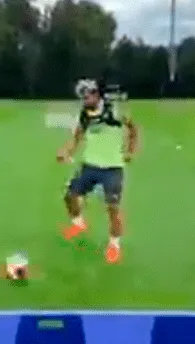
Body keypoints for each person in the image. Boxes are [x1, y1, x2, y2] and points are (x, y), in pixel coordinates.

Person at [57, 79, 138, 264]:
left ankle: (114, 245)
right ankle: (79, 224)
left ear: (97, 94)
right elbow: (77, 137)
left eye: (89, 94)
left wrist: (130, 151)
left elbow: (133, 129)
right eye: (83, 96)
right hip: (90, 166)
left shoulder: (114, 111)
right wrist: (65, 152)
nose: (86, 98)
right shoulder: (85, 115)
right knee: (69, 196)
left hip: (112, 168)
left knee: (113, 209)